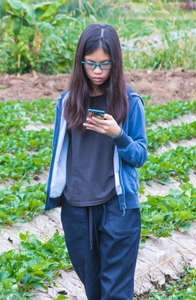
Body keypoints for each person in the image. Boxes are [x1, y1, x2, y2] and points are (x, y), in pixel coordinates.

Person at [45, 23, 147, 300]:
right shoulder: (67, 103)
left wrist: (118, 135)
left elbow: (139, 155)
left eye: (105, 64)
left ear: (116, 62)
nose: (98, 72)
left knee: (115, 292)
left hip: (118, 208)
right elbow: (59, 153)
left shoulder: (129, 102)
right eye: (91, 64)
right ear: (81, 62)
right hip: (77, 210)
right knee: (94, 290)